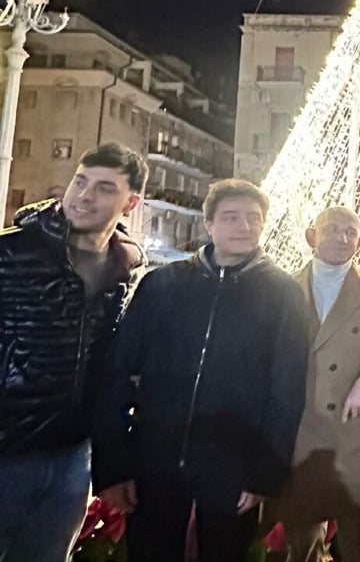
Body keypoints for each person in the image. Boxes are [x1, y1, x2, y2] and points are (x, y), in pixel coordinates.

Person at [92, 178, 309, 562]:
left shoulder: (283, 294)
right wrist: (112, 465)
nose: (242, 226)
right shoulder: (163, 284)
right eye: (230, 217)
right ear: (209, 225)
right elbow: (119, 371)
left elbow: (287, 390)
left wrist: (263, 474)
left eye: (252, 218)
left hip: (233, 463)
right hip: (156, 457)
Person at [0, 142, 147, 562]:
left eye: (104, 188)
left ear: (130, 202)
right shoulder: (10, 253)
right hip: (7, 450)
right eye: (80, 182)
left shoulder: (124, 272)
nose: (84, 195)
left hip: (70, 459)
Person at [274, 206, 360, 562]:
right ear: (310, 236)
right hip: (301, 436)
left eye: (350, 232)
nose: (341, 237)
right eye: (331, 229)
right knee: (299, 547)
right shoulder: (284, 288)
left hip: (355, 437)